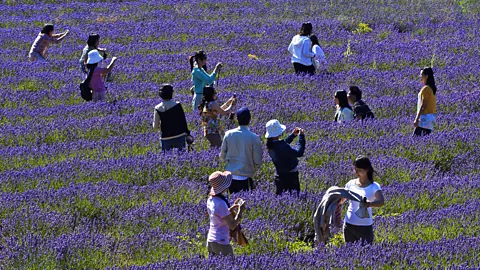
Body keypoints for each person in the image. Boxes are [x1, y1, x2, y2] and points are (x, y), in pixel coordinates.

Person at [343, 156, 384, 245]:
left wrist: (369, 204)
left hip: (365, 227)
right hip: (349, 225)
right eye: (355, 169)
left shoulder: (374, 186)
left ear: (367, 170)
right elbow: (342, 199)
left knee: (366, 252)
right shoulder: (350, 184)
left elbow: (381, 201)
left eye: (359, 170)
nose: (356, 172)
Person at [220, 108, 263, 193]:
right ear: (250, 119)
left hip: (229, 177)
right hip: (245, 177)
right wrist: (253, 169)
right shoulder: (254, 137)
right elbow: (258, 160)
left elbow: (222, 156)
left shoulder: (228, 134)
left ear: (237, 119)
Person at [206, 171, 246, 256]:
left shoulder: (210, 199)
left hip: (210, 241)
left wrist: (231, 209)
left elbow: (218, 215)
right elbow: (232, 226)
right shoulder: (221, 203)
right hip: (221, 242)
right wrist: (240, 211)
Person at [265, 120, 305, 195]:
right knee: (294, 199)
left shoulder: (270, 146)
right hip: (291, 177)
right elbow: (299, 153)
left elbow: (282, 146)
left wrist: (292, 136)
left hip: (280, 177)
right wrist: (301, 137)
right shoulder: (282, 146)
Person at [153, 84, 193, 151]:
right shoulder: (177, 105)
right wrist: (187, 134)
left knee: (166, 158)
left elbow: (155, 126)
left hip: (165, 137)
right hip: (179, 135)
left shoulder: (157, 108)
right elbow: (183, 121)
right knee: (181, 156)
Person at [413, 67, 437, 136]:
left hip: (424, 118)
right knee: (425, 140)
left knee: (415, 140)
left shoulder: (426, 89)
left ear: (426, 76)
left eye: (421, 75)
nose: (420, 77)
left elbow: (423, 105)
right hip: (430, 118)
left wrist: (417, 119)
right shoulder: (431, 89)